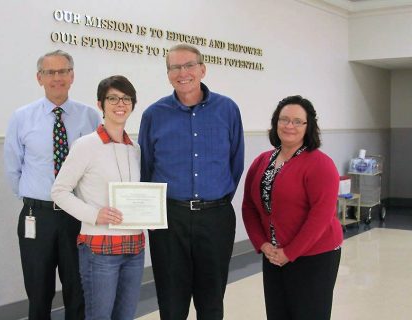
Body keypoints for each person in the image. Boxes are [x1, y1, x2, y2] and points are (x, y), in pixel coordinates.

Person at [138, 43, 244, 320]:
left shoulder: (228, 109)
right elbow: (146, 167)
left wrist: (215, 201)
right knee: (172, 303)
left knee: (211, 301)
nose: (182, 73)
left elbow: (235, 163)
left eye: (189, 66)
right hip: (170, 220)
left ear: (202, 69)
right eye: (175, 67)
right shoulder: (153, 115)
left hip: (216, 217)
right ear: (168, 73)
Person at [4, 50, 101, 320]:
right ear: (39, 78)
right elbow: (13, 169)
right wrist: (34, 199)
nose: (57, 78)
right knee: (38, 289)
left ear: (72, 76)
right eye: (50, 72)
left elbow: (95, 167)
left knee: (78, 288)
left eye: (63, 71)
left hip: (77, 216)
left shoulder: (90, 117)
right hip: (38, 216)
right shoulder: (21, 117)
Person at [242, 95, 343, 320]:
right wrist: (262, 244)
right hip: (273, 255)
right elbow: (249, 207)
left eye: (297, 121)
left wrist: (290, 252)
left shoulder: (320, 164)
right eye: (284, 119)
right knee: (278, 314)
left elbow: (321, 216)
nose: (289, 125)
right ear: (275, 123)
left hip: (315, 256)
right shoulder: (262, 161)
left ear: (309, 127)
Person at [51, 75, 144, 320]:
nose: (120, 104)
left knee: (125, 316)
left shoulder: (135, 149)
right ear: (100, 105)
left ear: (133, 104)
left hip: (134, 247)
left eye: (126, 99)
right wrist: (94, 214)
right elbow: (59, 191)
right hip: (99, 248)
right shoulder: (86, 145)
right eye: (112, 98)